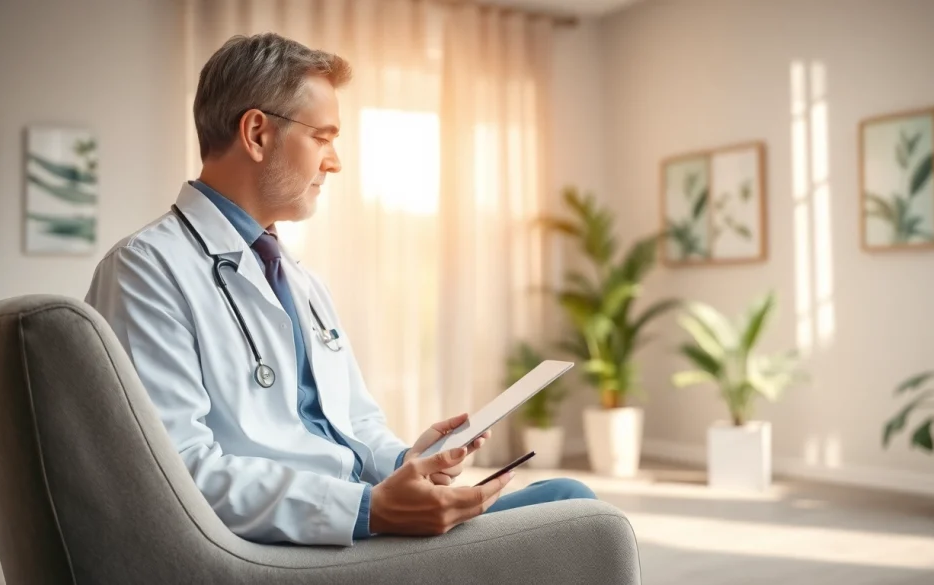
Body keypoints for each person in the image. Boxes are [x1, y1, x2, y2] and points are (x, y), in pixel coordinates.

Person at [84, 32, 595, 547]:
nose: (335, 162)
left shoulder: (299, 279)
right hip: (292, 545)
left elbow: (352, 422)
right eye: (323, 137)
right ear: (257, 133)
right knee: (575, 518)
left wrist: (408, 463)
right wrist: (370, 510)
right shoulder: (146, 269)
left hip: (351, 516)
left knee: (566, 500)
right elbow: (174, 472)